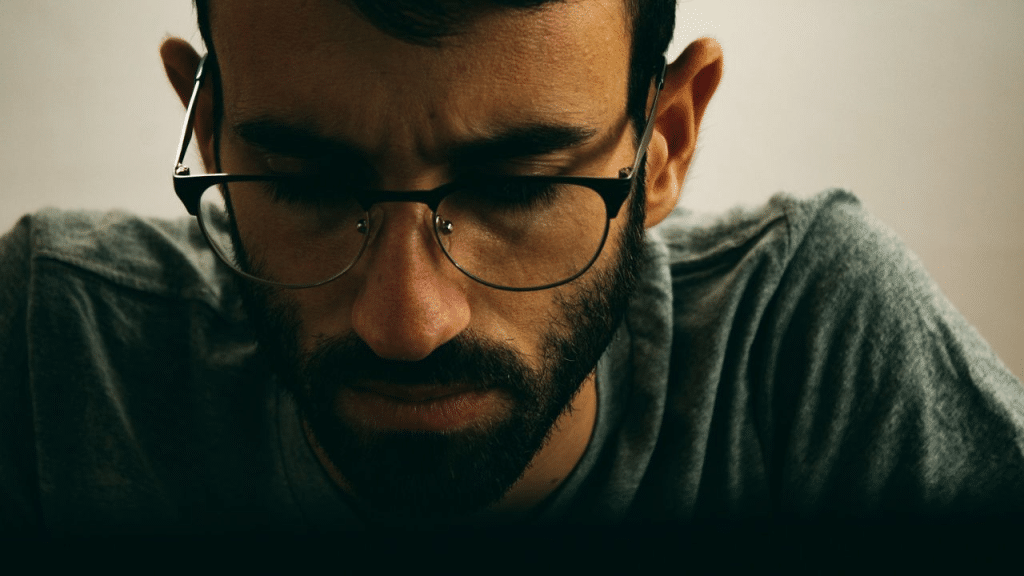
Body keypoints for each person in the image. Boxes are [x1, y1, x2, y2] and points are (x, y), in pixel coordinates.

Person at [1, 0, 1022, 535]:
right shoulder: (57, 346)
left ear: (664, 142)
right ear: (210, 131)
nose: (407, 322)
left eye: (518, 187)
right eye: (307, 183)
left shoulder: (806, 347)